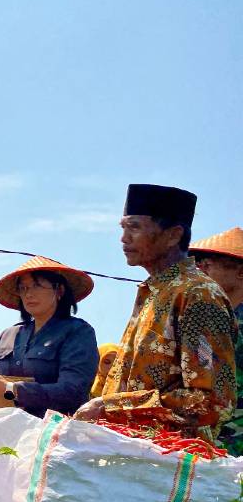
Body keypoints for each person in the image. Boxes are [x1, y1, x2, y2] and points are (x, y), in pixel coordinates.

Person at [74, 185, 238, 443]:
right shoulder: (153, 291)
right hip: (131, 456)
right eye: (123, 228)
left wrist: (114, 408)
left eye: (135, 227)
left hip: (170, 463)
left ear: (173, 235)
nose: (124, 238)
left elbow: (212, 400)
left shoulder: (198, 296)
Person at [0, 257, 98, 417]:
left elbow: (72, 391)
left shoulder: (78, 332)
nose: (29, 294)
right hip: (5, 428)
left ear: (59, 291)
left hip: (56, 432)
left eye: (37, 286)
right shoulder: (8, 335)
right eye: (23, 288)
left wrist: (13, 390)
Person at [190, 227, 243, 454]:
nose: (199, 268)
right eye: (197, 262)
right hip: (207, 440)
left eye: (207, 262)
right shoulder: (208, 320)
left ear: (240, 272)